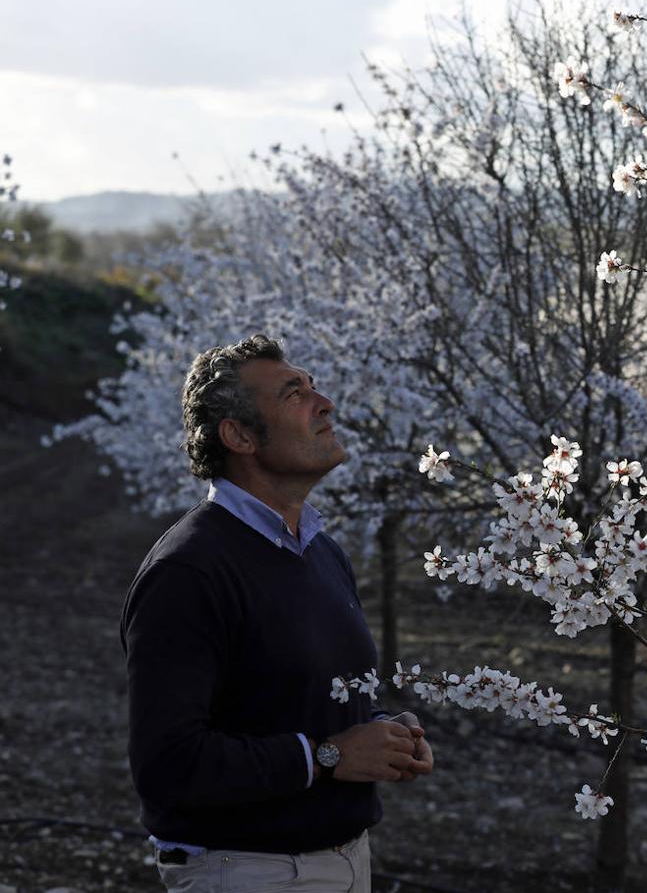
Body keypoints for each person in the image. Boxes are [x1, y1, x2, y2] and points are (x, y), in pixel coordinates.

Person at [121, 333, 433, 892]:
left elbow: (292, 695)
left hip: (344, 862)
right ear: (239, 435)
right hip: (250, 872)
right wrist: (332, 754)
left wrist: (379, 733)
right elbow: (168, 766)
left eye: (312, 386)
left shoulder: (320, 550)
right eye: (295, 393)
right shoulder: (189, 572)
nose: (325, 403)